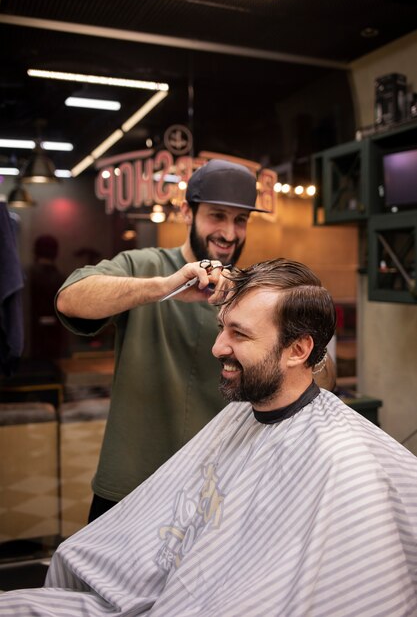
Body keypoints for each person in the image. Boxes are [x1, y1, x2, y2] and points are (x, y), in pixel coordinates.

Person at [2, 258, 417, 616]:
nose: (218, 346)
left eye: (239, 333)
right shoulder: (240, 418)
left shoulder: (341, 459)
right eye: (222, 328)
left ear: (297, 350)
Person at [55, 159, 336, 522]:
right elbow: (71, 298)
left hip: (215, 489)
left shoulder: (256, 292)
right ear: (187, 212)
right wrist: (166, 287)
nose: (230, 233)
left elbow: (314, 381)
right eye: (217, 216)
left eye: (240, 220)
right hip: (133, 484)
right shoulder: (145, 266)